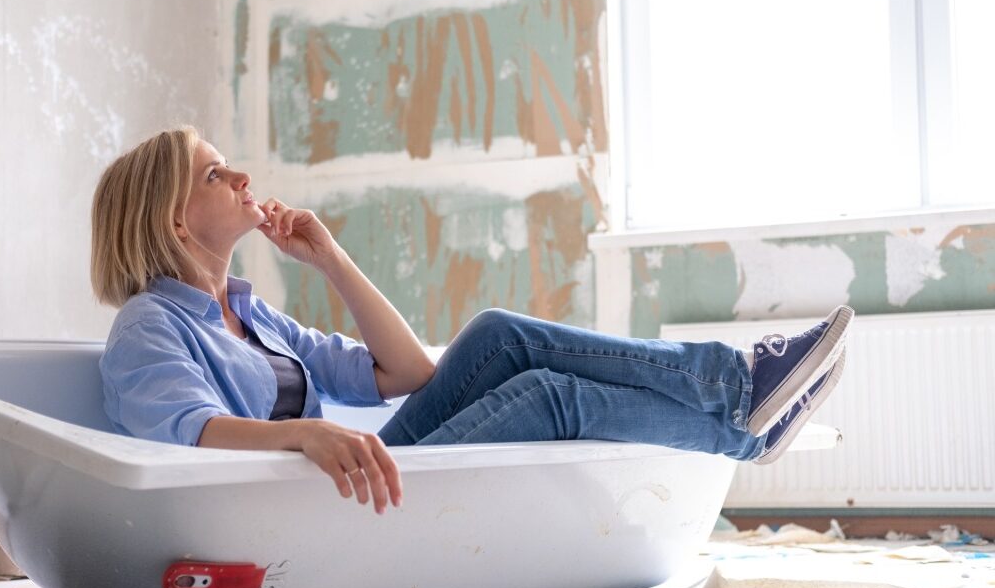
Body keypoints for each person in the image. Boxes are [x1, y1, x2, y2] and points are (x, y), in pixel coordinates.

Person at [91, 126, 853, 517]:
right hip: (305, 507)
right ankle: (744, 423)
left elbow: (408, 373)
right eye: (215, 174)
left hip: (354, 477)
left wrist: (332, 261)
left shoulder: (254, 315)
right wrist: (304, 434)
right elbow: (185, 431)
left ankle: (737, 386)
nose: (241, 176)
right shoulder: (149, 325)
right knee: (549, 396)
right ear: (175, 220)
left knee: (494, 335)